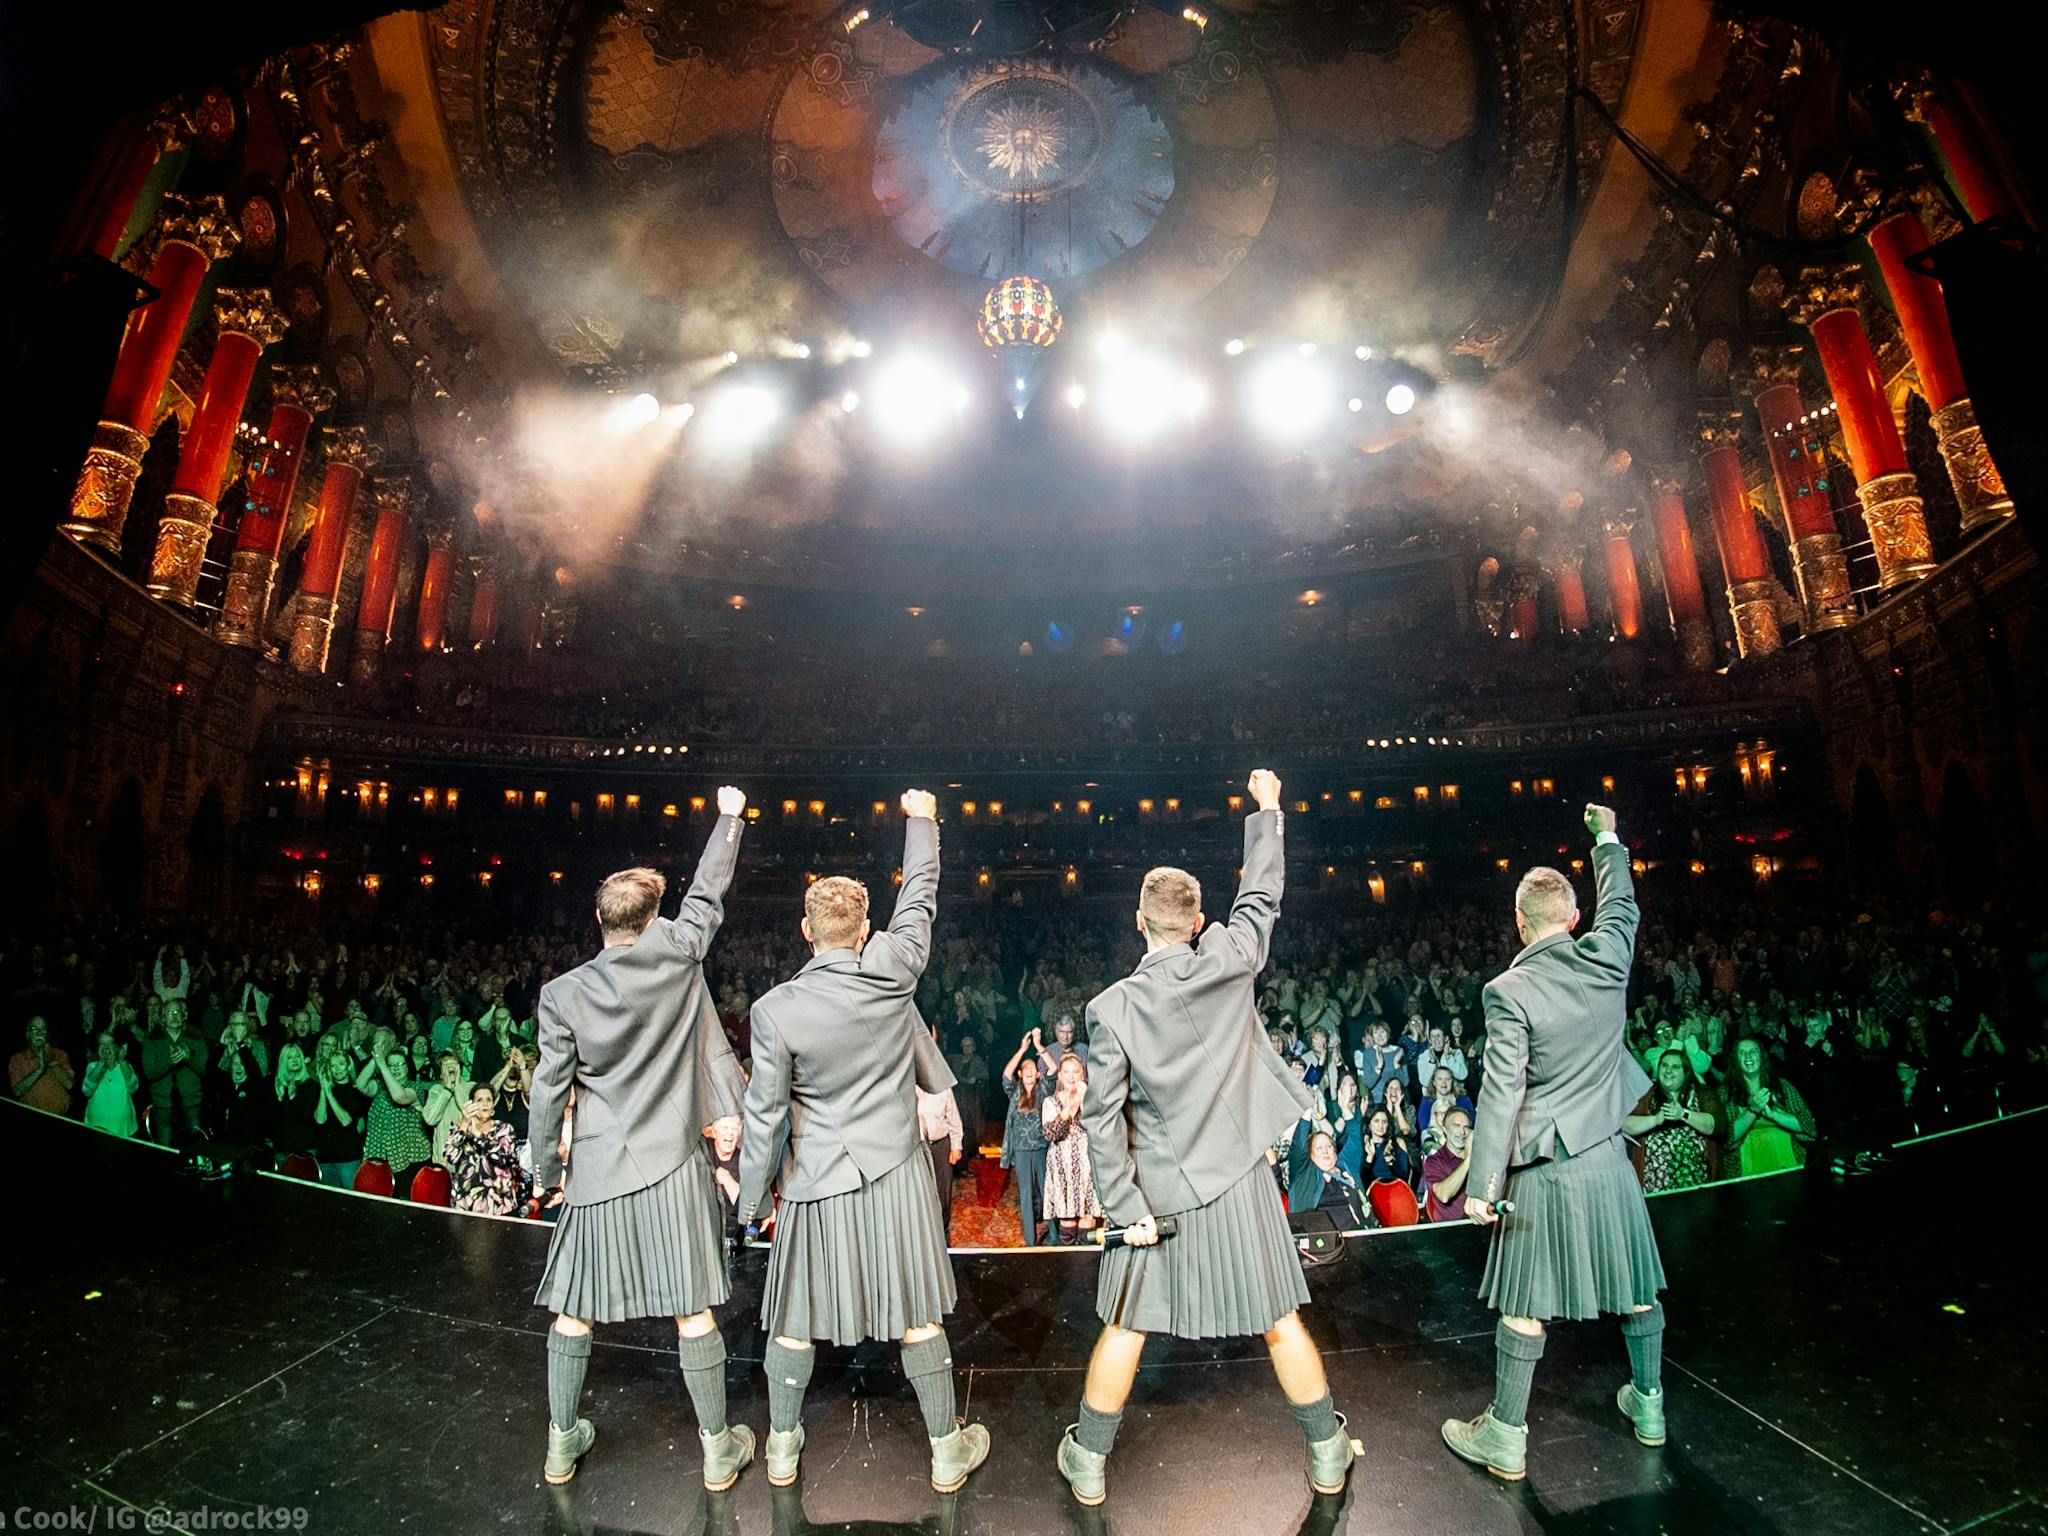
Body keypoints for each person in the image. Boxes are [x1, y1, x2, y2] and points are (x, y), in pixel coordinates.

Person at [1062, 770, 1357, 1506]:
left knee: (1126, 1327)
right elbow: (1260, 897)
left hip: (1156, 1192)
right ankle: (1326, 1453)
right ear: (1194, 923)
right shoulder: (1230, 959)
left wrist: (1124, 1208)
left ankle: (1089, 1462)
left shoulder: (1113, 1008)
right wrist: (1266, 811)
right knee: (1281, 1321)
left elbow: (1101, 1120)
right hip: (1238, 1177)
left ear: (1139, 921)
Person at [739, 790, 987, 1495]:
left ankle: (783, 1455)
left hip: (816, 1182)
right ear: (866, 928)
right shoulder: (894, 969)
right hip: (896, 1174)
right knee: (916, 1317)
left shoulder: (774, 1011)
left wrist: (751, 1201)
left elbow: (764, 1117)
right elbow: (923, 900)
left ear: (804, 931)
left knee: (791, 1322)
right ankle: (946, 1453)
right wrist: (921, 820)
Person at [529, 791, 753, 1489]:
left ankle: (562, 1445)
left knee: (574, 1313)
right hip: (671, 1162)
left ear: (599, 921)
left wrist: (546, 1171)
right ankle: (718, 1449)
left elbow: (547, 1092)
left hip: (597, 1169)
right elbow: (709, 894)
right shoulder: (679, 954)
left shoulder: (562, 995)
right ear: (653, 919)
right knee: (693, 1312)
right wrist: (730, 817)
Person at [1442, 804, 1668, 1482]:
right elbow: (1622, 905)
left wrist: (1483, 1188)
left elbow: (1502, 1092)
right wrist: (1607, 839)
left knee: (1525, 1305)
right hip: (1607, 1157)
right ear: (1573, 920)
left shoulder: (1507, 990)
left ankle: (1506, 1436)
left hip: (1542, 1170)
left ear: (1519, 923)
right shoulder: (1607, 957)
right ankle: (1650, 1406)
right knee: (1635, 1289)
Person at [1625, 1049, 1728, 1193]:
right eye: (1664, 1065)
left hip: (1696, 1183)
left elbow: (1716, 1126)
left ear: (1686, 1073)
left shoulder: (1703, 1093)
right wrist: (1656, 1119)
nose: (1668, 1070)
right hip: (1654, 1185)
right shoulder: (1646, 1094)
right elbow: (1625, 1126)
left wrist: (1683, 1114)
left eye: (1675, 1067)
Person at [1727, 1037, 1817, 1175]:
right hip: (1747, 1169)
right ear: (1736, 1060)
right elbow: (1727, 1137)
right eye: (1742, 1053)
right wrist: (1752, 1111)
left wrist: (1775, 1115)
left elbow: (1809, 1126)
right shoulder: (1727, 1092)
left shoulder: (1782, 1086)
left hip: (1787, 1164)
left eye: (1753, 1051)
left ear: (1762, 1057)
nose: (1748, 1056)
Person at [1040, 1055, 1103, 1244]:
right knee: (1066, 1219)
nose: (1071, 1076)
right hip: (1062, 1168)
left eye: (1076, 1072)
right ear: (1059, 1075)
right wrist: (1069, 1108)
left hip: (1086, 1166)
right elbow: (1051, 1134)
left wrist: (1084, 1102)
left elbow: (1097, 1128)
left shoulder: (1091, 1101)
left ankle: (1089, 1267)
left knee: (1087, 1216)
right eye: (1067, 1072)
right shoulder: (1050, 1102)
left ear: (1083, 1074)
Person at [448, 1086, 531, 1215]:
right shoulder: (462, 1128)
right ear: (471, 1105)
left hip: (500, 1205)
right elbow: (451, 1157)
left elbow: (504, 1159)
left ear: (493, 1106)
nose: (485, 1103)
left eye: (489, 1099)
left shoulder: (504, 1129)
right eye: (479, 1100)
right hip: (467, 1204)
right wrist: (464, 1124)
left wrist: (478, 1136)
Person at [1001, 1036, 1050, 1246]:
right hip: (1021, 1149)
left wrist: (1039, 1047)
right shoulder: (1015, 1093)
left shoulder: (1044, 1090)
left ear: (1038, 1074)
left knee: (1048, 1192)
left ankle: (1054, 1236)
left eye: (1033, 1069)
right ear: (1020, 1074)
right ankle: (1030, 1240)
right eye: (1025, 1069)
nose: (1029, 1071)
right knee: (1026, 1194)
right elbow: (1005, 1074)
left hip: (1042, 1148)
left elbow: (1054, 1069)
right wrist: (1022, 1050)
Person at [917, 1043, 966, 1241]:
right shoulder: (909, 1089)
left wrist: (956, 1146)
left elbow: (954, 1119)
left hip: (940, 1145)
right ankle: (924, 1234)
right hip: (918, 1147)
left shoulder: (943, 1090)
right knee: (922, 1190)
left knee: (942, 1189)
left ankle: (942, 1232)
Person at [141, 1001, 207, 1146]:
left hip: (191, 1102)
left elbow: (206, 1069)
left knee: (195, 1148)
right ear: (163, 1018)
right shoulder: (152, 1039)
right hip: (163, 1104)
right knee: (165, 1149)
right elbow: (149, 1073)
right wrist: (169, 1062)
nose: (174, 1016)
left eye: (177, 1012)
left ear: (184, 1016)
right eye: (170, 1013)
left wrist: (189, 1058)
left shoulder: (195, 1037)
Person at [9, 1017, 75, 1117]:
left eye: (43, 1028)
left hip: (62, 1117)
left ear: (47, 1034)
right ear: (27, 1035)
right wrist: (40, 1069)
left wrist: (50, 1062)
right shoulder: (18, 1058)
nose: (39, 1032)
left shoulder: (60, 1054)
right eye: (34, 1028)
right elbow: (17, 1091)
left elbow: (69, 1085)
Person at [81, 1032, 139, 1137]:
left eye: (110, 1044)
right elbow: (87, 1090)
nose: (106, 1048)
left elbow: (133, 1087)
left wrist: (122, 1061)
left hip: (123, 1128)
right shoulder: (92, 1067)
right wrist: (101, 1062)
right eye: (102, 1045)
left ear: (117, 1048)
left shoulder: (126, 1066)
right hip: (96, 1126)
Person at [1423, 1105, 1474, 1222]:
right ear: (1445, 1129)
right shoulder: (1434, 1161)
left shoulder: (1480, 1159)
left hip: (1480, 1228)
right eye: (1456, 1126)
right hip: (1450, 1232)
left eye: (1466, 1127)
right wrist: (1468, 1160)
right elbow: (1444, 1195)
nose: (1462, 1132)